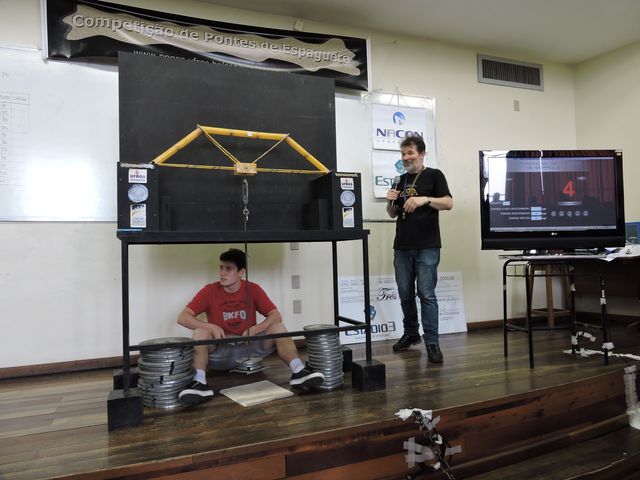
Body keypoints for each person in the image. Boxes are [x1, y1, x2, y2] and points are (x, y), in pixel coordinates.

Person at [177, 248, 324, 405]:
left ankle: (299, 372)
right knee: (200, 331)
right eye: (221, 268)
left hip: (249, 350)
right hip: (221, 352)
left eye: (228, 269)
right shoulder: (209, 290)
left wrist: (257, 328)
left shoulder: (253, 289)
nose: (222, 273)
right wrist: (209, 326)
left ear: (241, 272)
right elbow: (183, 317)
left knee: (278, 327)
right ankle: (199, 383)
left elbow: (276, 315)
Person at [385, 135, 453, 364]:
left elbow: (448, 203)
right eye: (403, 154)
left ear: (422, 154)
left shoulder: (434, 175)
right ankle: (411, 333)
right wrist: (389, 201)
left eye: (410, 153)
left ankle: (432, 342)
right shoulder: (399, 179)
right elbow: (392, 213)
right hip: (402, 246)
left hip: (427, 246)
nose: (406, 158)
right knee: (405, 293)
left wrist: (425, 199)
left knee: (426, 294)